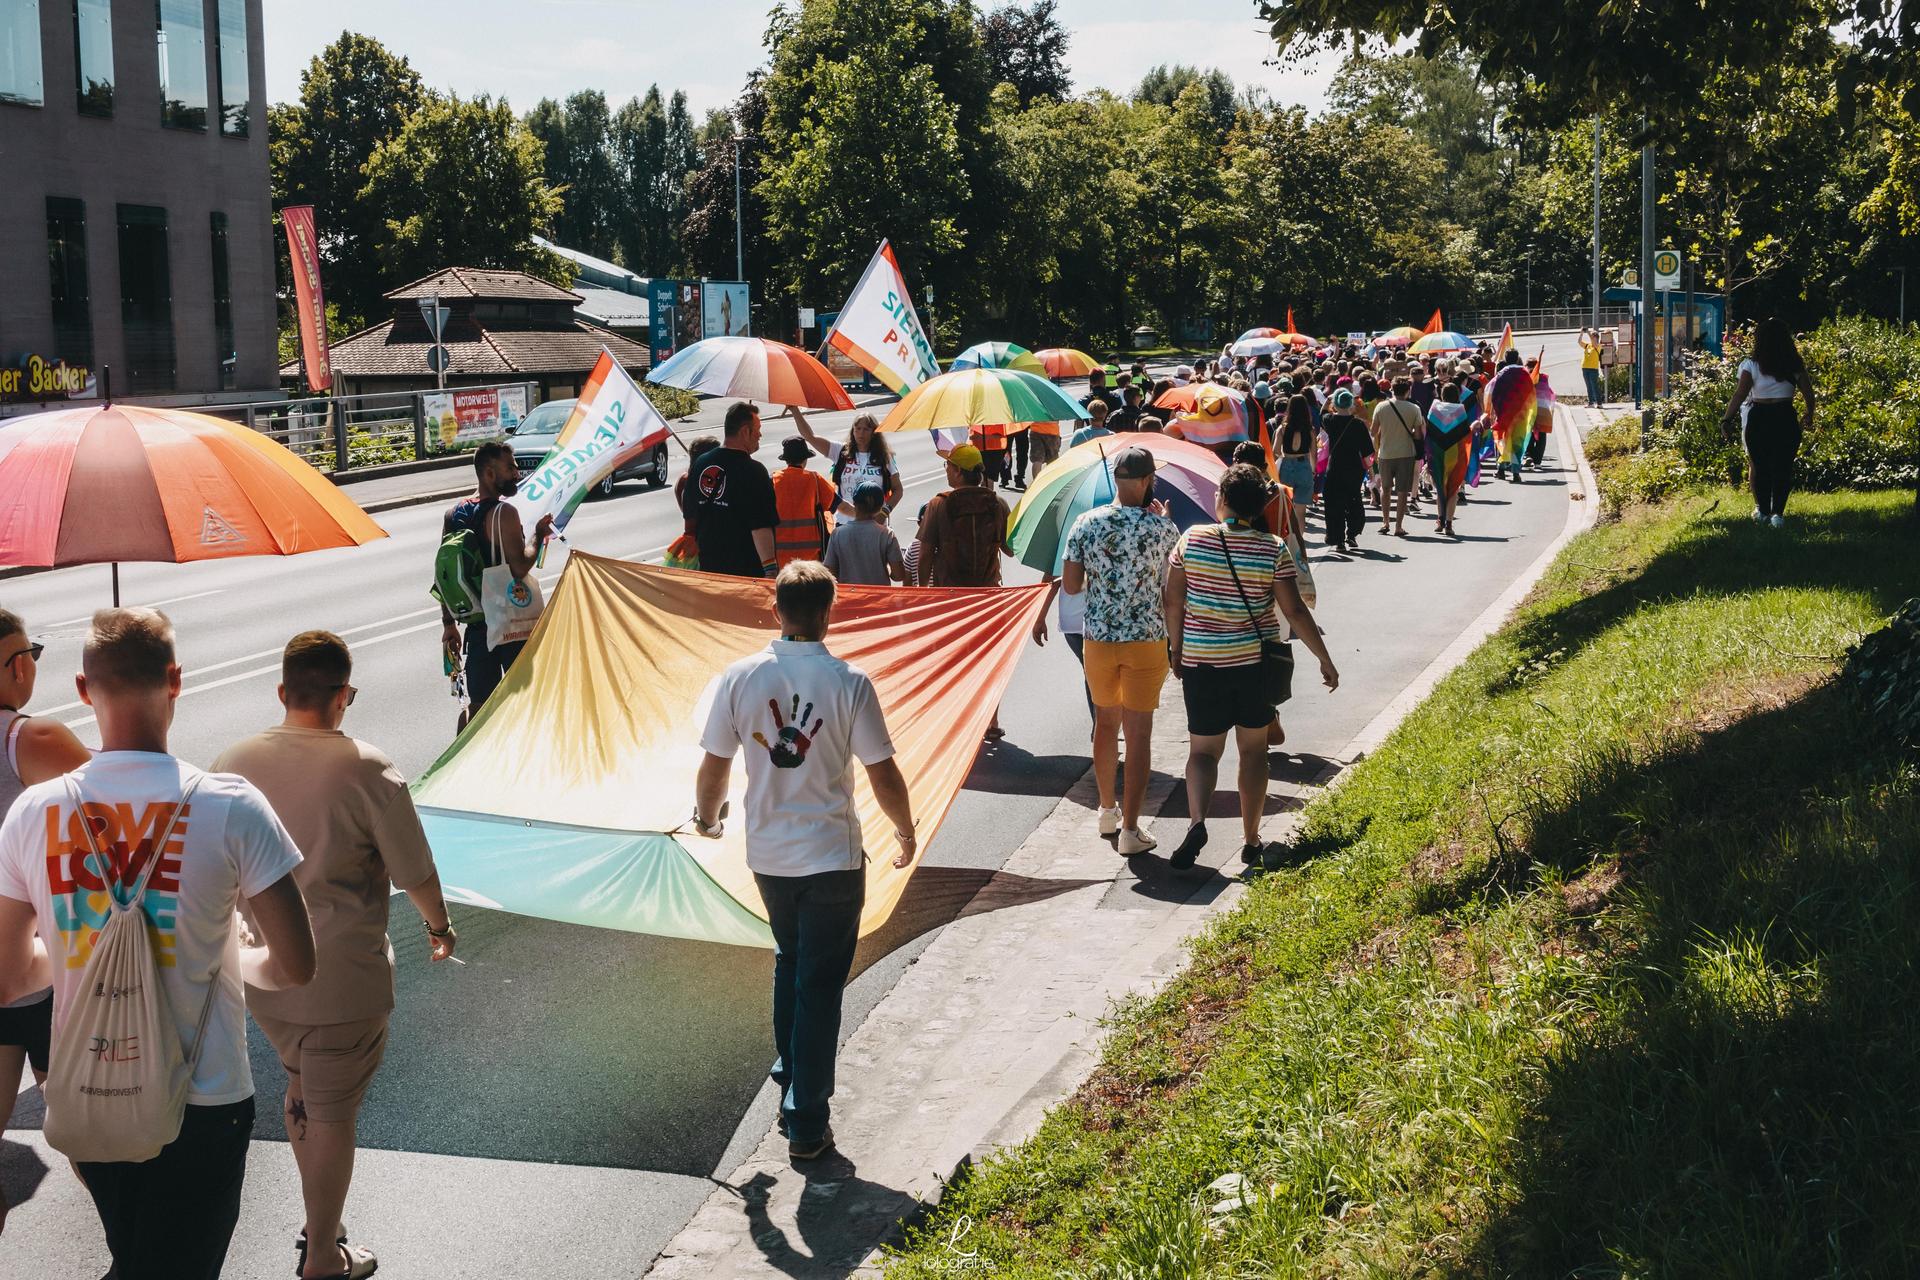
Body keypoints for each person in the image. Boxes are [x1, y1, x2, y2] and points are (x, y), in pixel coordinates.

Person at [0, 608, 316, 1280]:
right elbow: (296, 964)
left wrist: (74, 955)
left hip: (92, 1088)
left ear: (85, 690)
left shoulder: (34, 813)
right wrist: (235, 954)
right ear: (175, 680)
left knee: (137, 1258)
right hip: (206, 1100)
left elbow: (9, 972)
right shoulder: (232, 806)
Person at [213, 632, 454, 1280]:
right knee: (331, 1113)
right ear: (344, 695)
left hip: (261, 976)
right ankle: (323, 1255)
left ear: (283, 693)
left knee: (304, 1093)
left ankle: (325, 1223)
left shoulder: (233, 762)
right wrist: (441, 927)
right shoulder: (367, 769)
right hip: (341, 980)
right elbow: (416, 874)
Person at [693, 562, 916, 1161]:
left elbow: (714, 766)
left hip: (767, 855)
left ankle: (792, 1067)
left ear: (776, 610)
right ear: (829, 611)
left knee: (791, 959)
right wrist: (905, 829)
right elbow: (882, 771)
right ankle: (807, 1118)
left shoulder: (737, 678)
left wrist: (707, 820)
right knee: (819, 982)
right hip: (832, 858)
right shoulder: (849, 683)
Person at [1164, 465, 1339, 871]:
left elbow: (1172, 600)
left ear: (1222, 498)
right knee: (1253, 753)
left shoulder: (1192, 539)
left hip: (1202, 662)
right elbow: (1293, 609)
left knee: (1203, 753)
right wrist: (1324, 658)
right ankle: (1250, 839)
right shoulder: (1272, 547)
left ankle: (1197, 821)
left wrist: (1176, 648)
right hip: (1253, 666)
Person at [0, 608, 91, 1231]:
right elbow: (117, 822)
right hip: (30, 963)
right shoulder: (31, 740)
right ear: (15, 664)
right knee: (92, 1125)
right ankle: (136, 1256)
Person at [1062, 446, 1179, 855]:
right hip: (1147, 641)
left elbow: (1072, 586)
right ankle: (1131, 830)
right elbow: (1172, 590)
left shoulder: (1085, 523)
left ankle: (1106, 810)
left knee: (1105, 725)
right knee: (1139, 732)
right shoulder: (1164, 530)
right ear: (1147, 481)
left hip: (1098, 640)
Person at [440, 442, 555, 714]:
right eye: (510, 467)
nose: (517, 473)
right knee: (526, 705)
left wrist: (448, 625)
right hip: (510, 627)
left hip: (478, 628)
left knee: (480, 709)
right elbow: (520, 567)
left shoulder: (453, 514)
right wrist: (538, 534)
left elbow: (443, 574)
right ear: (489, 473)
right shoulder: (505, 512)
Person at [1724, 317, 1816, 526]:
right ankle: (1778, 515)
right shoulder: (1794, 365)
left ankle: (1763, 512)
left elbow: (1740, 394)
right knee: (1783, 466)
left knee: (1760, 465)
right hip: (1785, 416)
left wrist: (1727, 419)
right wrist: (1809, 414)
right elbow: (1809, 394)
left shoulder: (1751, 365)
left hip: (1759, 417)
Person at [688, 402, 779, 577]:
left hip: (708, 566)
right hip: (745, 572)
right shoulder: (754, 471)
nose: (760, 434)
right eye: (758, 428)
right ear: (745, 431)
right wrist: (771, 570)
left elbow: (690, 512)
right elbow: (760, 527)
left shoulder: (701, 463)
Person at [916, 444, 1012, 588]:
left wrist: (923, 590)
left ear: (958, 471)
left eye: (947, 465)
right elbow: (1010, 550)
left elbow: (925, 555)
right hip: (988, 593)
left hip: (951, 595)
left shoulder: (938, 504)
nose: (946, 470)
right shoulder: (998, 504)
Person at [793, 410, 903, 518]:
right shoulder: (840, 451)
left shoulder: (884, 456)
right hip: (845, 523)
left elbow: (898, 489)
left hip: (876, 524)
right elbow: (810, 437)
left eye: (866, 429)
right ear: (853, 431)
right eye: (858, 429)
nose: (861, 433)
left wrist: (885, 512)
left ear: (874, 433)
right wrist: (794, 410)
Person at [771, 435, 840, 568]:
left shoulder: (772, 481)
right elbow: (838, 505)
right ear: (805, 459)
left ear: (786, 460)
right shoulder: (814, 479)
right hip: (812, 559)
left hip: (781, 560)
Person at [1371, 377, 1425, 537]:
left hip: (1385, 453)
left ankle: (1385, 522)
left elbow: (1373, 432)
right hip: (1406, 453)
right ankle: (1398, 526)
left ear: (1392, 390)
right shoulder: (1414, 408)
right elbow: (1418, 435)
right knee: (1402, 491)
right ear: (1408, 391)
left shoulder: (1381, 407)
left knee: (1385, 489)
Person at [824, 484, 906, 586]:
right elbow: (899, 575)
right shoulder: (887, 534)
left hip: (849, 598)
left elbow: (829, 572)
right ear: (880, 507)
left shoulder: (838, 534)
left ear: (854, 503)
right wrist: (885, 570)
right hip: (880, 598)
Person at [1321, 389, 1372, 551]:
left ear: (1335, 404)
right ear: (1351, 405)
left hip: (1335, 466)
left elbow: (1322, 414)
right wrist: (1370, 470)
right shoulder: (1358, 424)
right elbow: (1367, 451)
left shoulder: (1330, 420)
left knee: (1335, 502)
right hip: (1353, 467)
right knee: (1353, 500)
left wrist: (1328, 400)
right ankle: (1352, 534)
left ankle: (1338, 539)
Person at [1579, 328, 1605, 405]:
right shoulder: (1588, 345)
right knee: (1588, 386)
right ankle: (1591, 402)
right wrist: (1581, 333)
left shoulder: (1598, 346)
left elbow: (1594, 343)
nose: (1591, 338)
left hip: (1593, 369)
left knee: (1594, 386)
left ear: (1596, 338)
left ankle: (1599, 403)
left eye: (1593, 336)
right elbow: (1579, 342)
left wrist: (1588, 333)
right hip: (1585, 367)